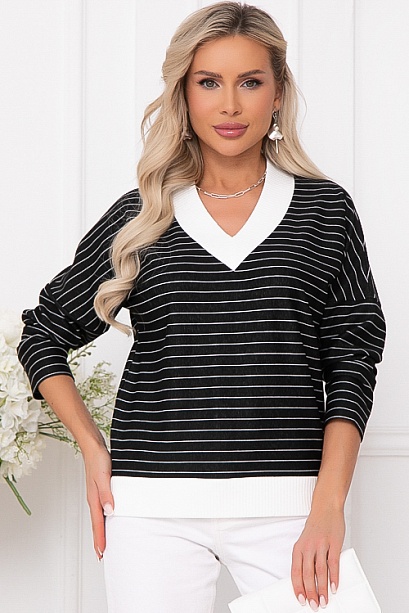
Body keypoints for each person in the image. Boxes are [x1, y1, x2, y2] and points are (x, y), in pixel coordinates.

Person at [18, 2, 386, 612]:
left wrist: (328, 505)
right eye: (209, 82)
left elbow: (352, 362)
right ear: (184, 96)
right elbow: (43, 333)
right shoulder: (143, 216)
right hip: (150, 509)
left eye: (250, 82)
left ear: (278, 93)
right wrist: (92, 449)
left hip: (291, 509)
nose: (230, 105)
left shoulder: (325, 212)